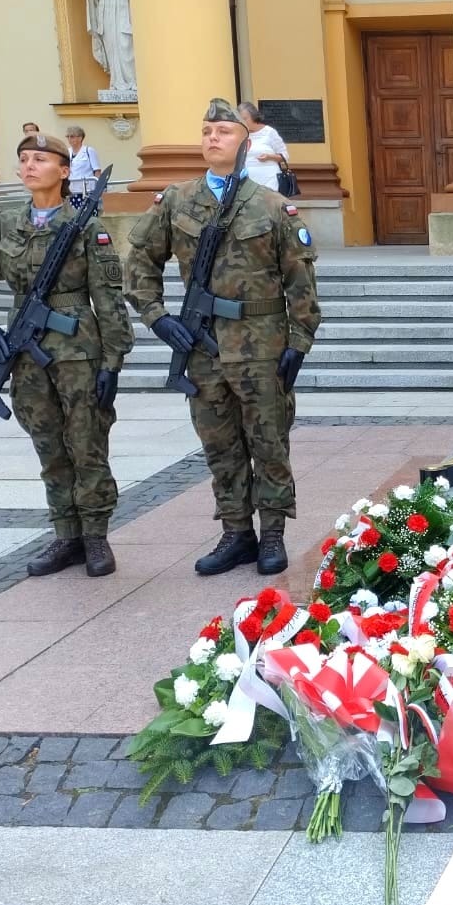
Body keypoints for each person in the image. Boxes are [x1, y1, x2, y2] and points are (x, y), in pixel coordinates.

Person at [124, 98, 319, 577]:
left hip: (262, 345)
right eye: (207, 130)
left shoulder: (272, 206)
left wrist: (300, 340)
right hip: (203, 346)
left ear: (244, 143)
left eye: (224, 131)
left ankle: (272, 535)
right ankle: (236, 534)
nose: (213, 137)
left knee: (268, 442)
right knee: (220, 444)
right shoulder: (176, 200)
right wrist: (155, 316)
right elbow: (139, 261)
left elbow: (300, 279)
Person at [0, 132, 132, 578]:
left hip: (77, 352)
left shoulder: (87, 226)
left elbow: (108, 300)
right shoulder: (5, 224)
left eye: (41, 159)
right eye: (24, 159)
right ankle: (65, 536)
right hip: (25, 353)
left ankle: (95, 537)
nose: (30, 165)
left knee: (87, 444)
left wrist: (113, 362)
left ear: (64, 170)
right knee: (48, 445)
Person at [237, 102, 290, 192]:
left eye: (245, 118)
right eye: (240, 119)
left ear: (253, 116)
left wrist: (269, 156)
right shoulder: (240, 134)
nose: (243, 122)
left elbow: (285, 156)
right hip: (247, 182)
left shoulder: (269, 132)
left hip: (269, 180)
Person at [65, 126, 102, 208]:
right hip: (72, 190)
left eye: (72, 136)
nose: (69, 139)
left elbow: (97, 171)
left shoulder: (89, 150)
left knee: (86, 214)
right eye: (68, 137)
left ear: (80, 138)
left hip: (87, 190)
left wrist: (97, 189)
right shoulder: (67, 151)